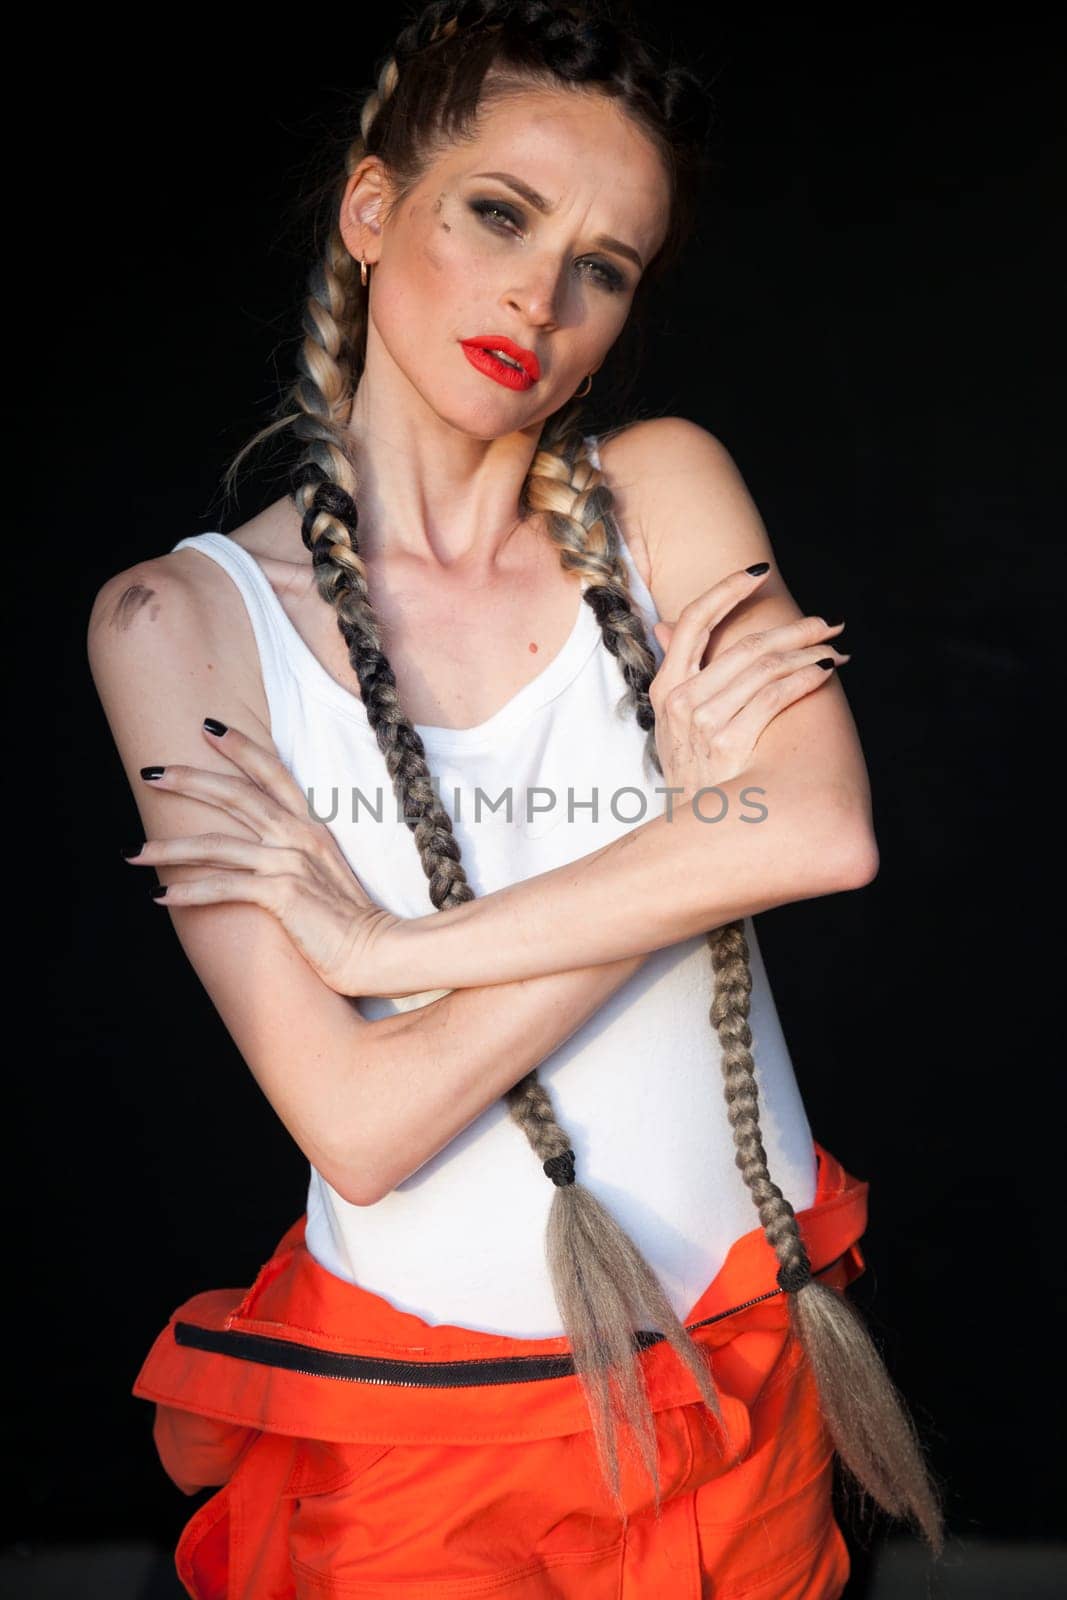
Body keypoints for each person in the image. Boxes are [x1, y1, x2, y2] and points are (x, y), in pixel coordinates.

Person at [88, 2, 945, 1594]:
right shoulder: (180, 623)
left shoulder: (664, 491)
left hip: (748, 1379)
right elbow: (361, 1120)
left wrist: (389, 954)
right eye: (499, 213)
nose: (541, 296)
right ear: (370, 210)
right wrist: (688, 838)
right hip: (427, 1441)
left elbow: (823, 830)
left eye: (604, 265)